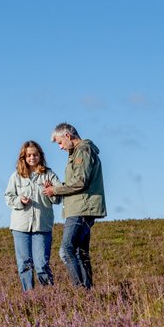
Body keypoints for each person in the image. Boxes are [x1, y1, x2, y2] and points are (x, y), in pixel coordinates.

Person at [42, 122, 105, 289]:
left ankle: (80, 290)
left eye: (60, 142)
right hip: (83, 207)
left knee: (66, 250)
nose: (60, 147)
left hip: (81, 208)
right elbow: (77, 181)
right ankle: (88, 292)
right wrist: (57, 187)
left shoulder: (82, 151)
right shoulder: (79, 151)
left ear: (68, 136)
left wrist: (56, 190)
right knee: (79, 252)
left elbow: (80, 182)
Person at [3, 140, 59, 290]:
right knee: (25, 265)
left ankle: (50, 297)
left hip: (42, 226)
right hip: (20, 227)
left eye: (35, 154)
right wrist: (19, 200)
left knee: (41, 265)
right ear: (23, 157)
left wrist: (51, 192)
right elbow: (8, 197)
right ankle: (30, 298)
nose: (32, 158)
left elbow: (58, 198)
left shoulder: (49, 175)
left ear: (40, 155)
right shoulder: (16, 176)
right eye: (29, 155)